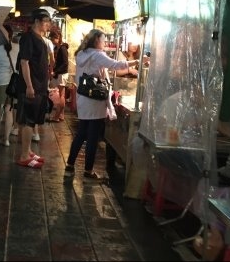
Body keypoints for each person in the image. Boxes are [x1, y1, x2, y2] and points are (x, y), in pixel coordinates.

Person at [66, 29, 145, 180]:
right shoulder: (97, 55)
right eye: (102, 40)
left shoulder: (82, 54)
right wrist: (138, 61)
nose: (104, 43)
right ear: (96, 40)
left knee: (81, 133)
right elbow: (117, 65)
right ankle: (88, 170)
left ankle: (70, 165)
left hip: (83, 98)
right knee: (93, 136)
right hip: (95, 100)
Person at [16, 9, 52, 168]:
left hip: (40, 86)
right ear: (36, 21)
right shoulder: (28, 38)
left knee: (30, 121)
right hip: (32, 87)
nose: (48, 24)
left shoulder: (40, 38)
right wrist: (29, 86)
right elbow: (24, 62)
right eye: (46, 21)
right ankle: (24, 155)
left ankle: (28, 150)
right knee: (28, 121)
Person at [48, 30, 68, 123]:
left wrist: (55, 72)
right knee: (61, 95)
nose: (52, 41)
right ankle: (61, 115)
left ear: (57, 38)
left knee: (62, 95)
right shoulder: (58, 48)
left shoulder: (62, 48)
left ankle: (56, 116)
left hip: (61, 74)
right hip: (60, 74)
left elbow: (65, 63)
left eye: (52, 39)